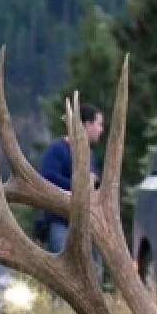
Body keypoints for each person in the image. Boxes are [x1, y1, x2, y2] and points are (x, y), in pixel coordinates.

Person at [36, 104, 104, 254]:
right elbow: (48, 178)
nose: (101, 129)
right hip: (60, 221)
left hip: (86, 223)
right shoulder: (57, 150)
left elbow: (93, 186)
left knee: (93, 269)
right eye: (99, 124)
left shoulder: (90, 155)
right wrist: (79, 186)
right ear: (87, 124)